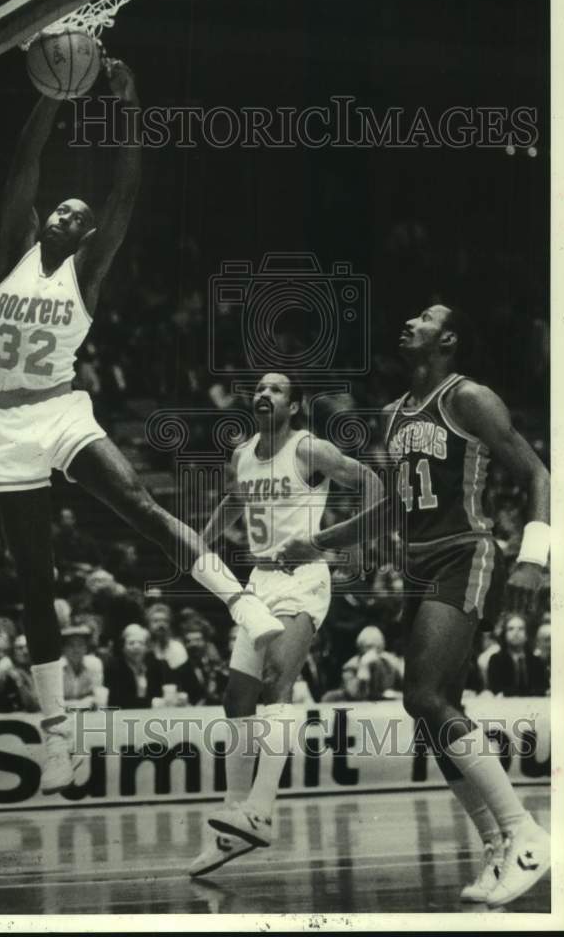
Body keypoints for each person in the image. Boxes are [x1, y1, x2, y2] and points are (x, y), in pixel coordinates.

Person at [0, 62, 283, 793]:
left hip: (60, 410)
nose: (68, 214)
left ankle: (242, 603)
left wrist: (131, 105)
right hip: (6, 427)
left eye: (79, 217)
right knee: (33, 581)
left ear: (87, 237)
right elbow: (24, 165)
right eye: (61, 209)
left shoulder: (85, 275)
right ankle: (57, 742)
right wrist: (50, 99)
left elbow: (127, 191)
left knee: (138, 506)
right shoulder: (9, 256)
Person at [382, 304, 551, 907]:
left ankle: (527, 834)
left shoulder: (469, 398)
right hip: (418, 562)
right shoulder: (391, 415)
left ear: (448, 339)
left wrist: (534, 556)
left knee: (422, 696)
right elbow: (386, 507)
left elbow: (538, 473)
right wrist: (319, 542)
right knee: (434, 711)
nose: (409, 321)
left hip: (465, 552)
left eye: (423, 318)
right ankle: (497, 846)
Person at [189, 371, 383, 876]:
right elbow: (236, 499)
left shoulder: (308, 449)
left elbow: (372, 482)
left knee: (278, 681)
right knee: (236, 698)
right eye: (259, 388)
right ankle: (235, 817)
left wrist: (342, 543)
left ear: (293, 407)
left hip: (304, 579)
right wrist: (202, 546)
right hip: (259, 580)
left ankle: (262, 810)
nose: (264, 394)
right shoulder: (242, 453)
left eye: (276, 389)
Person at [104, 624, 172, 709]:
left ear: (147, 647)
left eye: (141, 643)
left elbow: (166, 693)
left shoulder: (157, 665)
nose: (136, 647)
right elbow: (115, 701)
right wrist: (150, 703)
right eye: (131, 643)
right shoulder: (113, 667)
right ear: (123, 647)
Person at [486, 613, 549, 697]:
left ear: (527, 634)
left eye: (521, 629)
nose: (516, 633)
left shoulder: (536, 661)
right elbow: (496, 689)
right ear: (505, 634)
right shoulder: (496, 660)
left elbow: (543, 689)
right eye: (510, 629)